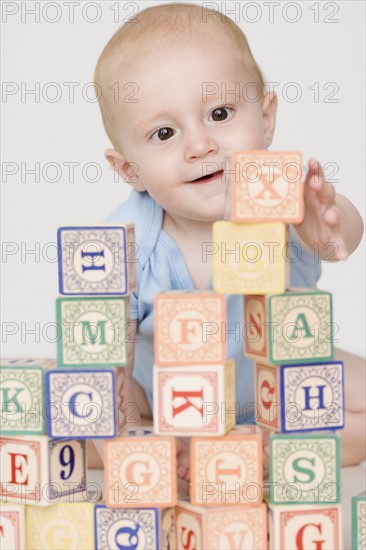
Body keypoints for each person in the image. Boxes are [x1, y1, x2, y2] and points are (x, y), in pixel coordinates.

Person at [89, 2, 365, 476]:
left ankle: (264, 446)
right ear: (128, 169)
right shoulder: (125, 242)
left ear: (266, 118)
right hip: (168, 396)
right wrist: (127, 431)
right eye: (164, 132)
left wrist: (327, 225)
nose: (200, 145)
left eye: (220, 113)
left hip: (285, 381)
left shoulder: (284, 191)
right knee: (91, 412)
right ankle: (181, 449)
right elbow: (107, 349)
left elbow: (341, 235)